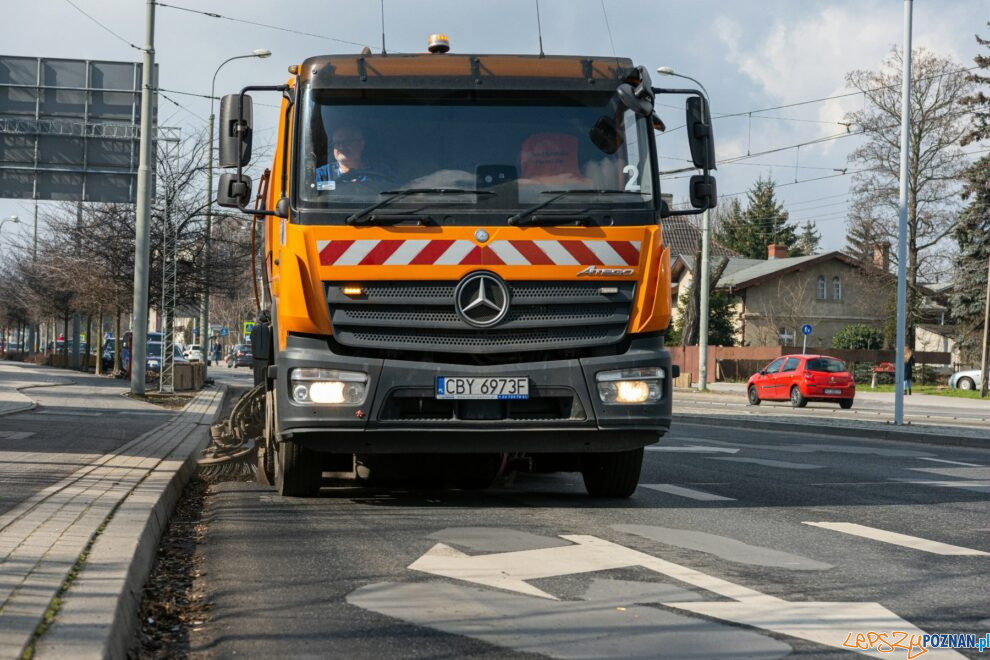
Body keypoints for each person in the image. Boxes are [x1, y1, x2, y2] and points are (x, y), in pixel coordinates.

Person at [314, 125, 392, 190]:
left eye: (347, 142)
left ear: (361, 144)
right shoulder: (322, 174)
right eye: (337, 143)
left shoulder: (380, 172)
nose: (341, 147)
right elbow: (312, 192)